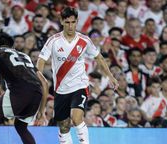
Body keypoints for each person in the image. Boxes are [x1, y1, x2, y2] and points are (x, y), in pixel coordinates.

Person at [36, 7, 118, 144]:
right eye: (67, 22)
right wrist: (39, 76)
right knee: (63, 126)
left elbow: (98, 57)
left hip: (79, 85)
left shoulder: (84, 40)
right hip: (60, 89)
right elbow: (41, 60)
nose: (70, 26)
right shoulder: (53, 41)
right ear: (61, 21)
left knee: (76, 117)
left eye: (73, 22)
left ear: (77, 22)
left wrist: (110, 76)